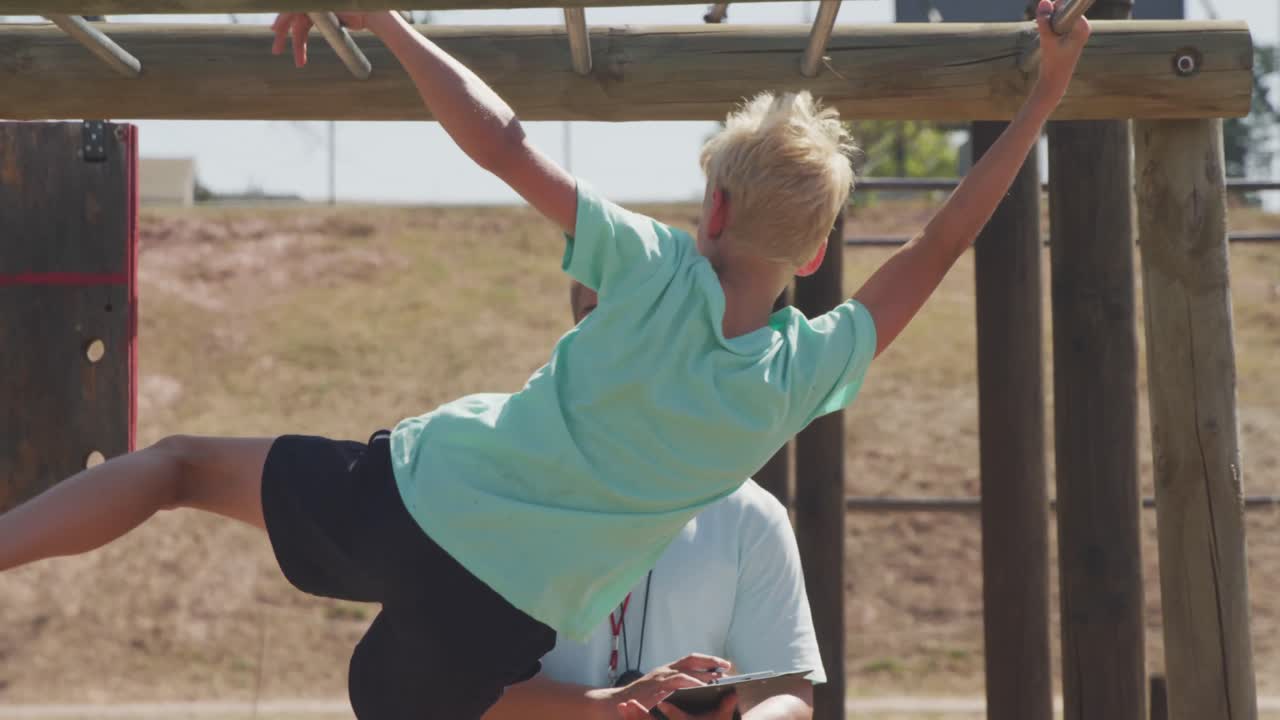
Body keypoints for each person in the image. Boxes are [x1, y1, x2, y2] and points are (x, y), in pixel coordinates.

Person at [0, 5, 1090, 719]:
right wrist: (1041, 94)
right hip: (502, 615)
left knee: (181, 468)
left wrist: (386, 18)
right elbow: (941, 239)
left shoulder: (656, 267)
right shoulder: (802, 374)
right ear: (812, 257)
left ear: (712, 208)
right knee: (403, 693)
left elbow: (503, 141)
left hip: (411, 503)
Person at [477, 282, 824, 720]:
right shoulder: (500, 492)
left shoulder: (748, 514)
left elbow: (787, 691)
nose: (622, 331)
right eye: (598, 314)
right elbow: (457, 687)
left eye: (646, 310)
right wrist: (609, 706)